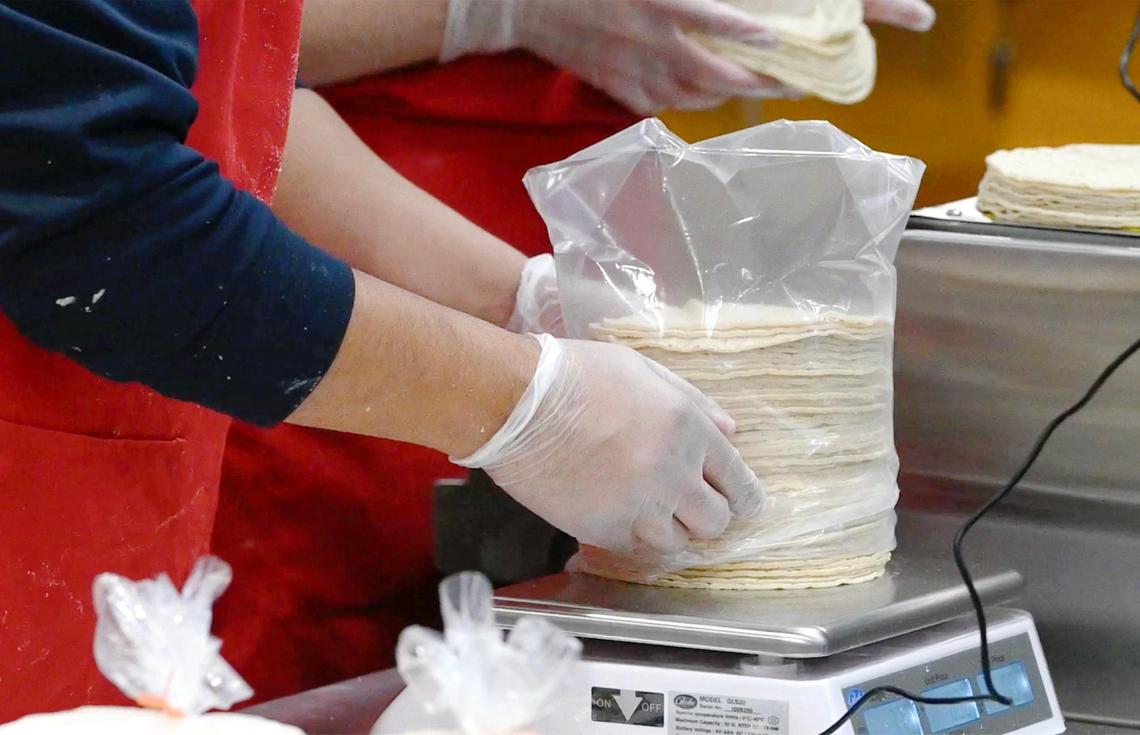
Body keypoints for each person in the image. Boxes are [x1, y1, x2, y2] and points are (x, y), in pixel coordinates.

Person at [0, 0, 771, 721]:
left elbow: (231, 102)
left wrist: (518, 301)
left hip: (120, 487)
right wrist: (526, 404)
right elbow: (105, 214)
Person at [211, 0, 938, 703]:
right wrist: (499, 10)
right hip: (317, 283)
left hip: (577, 244)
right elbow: (209, 58)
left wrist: (526, 302)